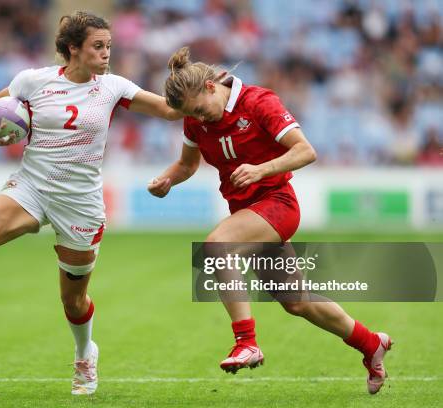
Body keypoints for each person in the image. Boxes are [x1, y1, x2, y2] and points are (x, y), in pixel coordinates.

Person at [0, 11, 181, 396]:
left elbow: (168, 110)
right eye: (98, 46)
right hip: (30, 189)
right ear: (72, 49)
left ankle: (84, 353)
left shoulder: (114, 87)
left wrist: (201, 89)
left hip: (80, 204)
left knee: (73, 300)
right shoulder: (32, 81)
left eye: (109, 46)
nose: (106, 53)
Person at [147, 47, 392, 395]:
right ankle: (371, 344)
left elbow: (306, 151)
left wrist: (262, 169)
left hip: (277, 204)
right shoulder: (195, 116)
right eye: (191, 115)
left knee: (217, 246)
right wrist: (168, 179)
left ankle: (246, 341)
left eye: (200, 110)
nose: (200, 120)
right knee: (298, 302)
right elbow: (187, 164)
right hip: (246, 213)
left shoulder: (258, 102)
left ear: (212, 88)